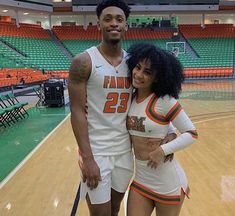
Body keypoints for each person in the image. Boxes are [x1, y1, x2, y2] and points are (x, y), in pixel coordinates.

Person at [68, 1, 176, 215]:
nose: (113, 23)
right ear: (98, 23)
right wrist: (87, 158)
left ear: (126, 25)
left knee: (115, 209)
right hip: (97, 151)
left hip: (125, 151)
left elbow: (151, 99)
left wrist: (171, 131)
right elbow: (77, 112)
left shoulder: (134, 65)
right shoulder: (84, 62)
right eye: (107, 19)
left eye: (119, 19)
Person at [126, 43, 198, 216]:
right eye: (138, 67)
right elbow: (158, 124)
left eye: (147, 72)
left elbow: (191, 133)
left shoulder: (164, 101)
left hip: (167, 183)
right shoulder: (130, 97)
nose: (139, 74)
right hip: (141, 178)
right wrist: (171, 132)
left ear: (157, 78)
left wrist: (163, 150)